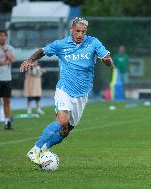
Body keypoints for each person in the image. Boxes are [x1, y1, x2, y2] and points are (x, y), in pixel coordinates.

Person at [20, 17, 115, 164]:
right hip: (64, 89)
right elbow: (42, 51)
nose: (80, 35)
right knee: (61, 121)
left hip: (82, 94)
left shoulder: (93, 42)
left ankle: (45, 149)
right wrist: (29, 60)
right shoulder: (60, 44)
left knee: (65, 131)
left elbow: (107, 58)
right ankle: (35, 150)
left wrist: (108, 62)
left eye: (83, 32)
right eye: (77, 31)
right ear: (72, 29)